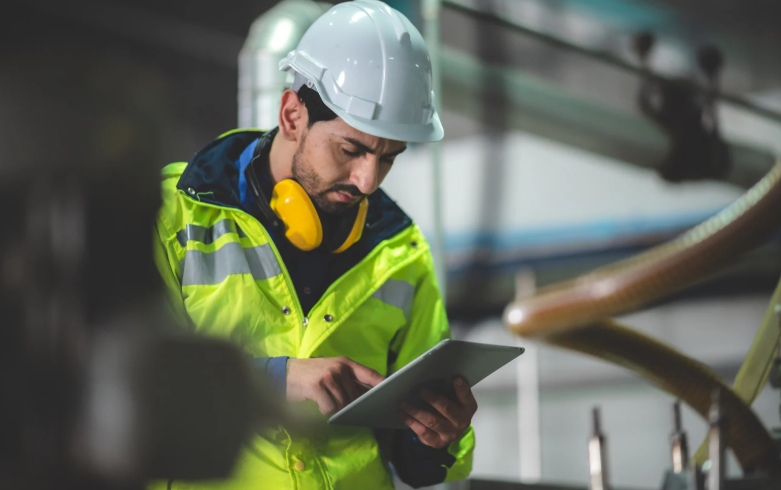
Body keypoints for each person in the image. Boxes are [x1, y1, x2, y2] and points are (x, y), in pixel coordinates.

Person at [152, 1, 476, 488]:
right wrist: (274, 380)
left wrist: (438, 437)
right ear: (292, 115)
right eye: (351, 149)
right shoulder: (174, 215)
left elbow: (416, 464)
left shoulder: (401, 253)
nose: (367, 181)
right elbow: (130, 387)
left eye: (388, 158)